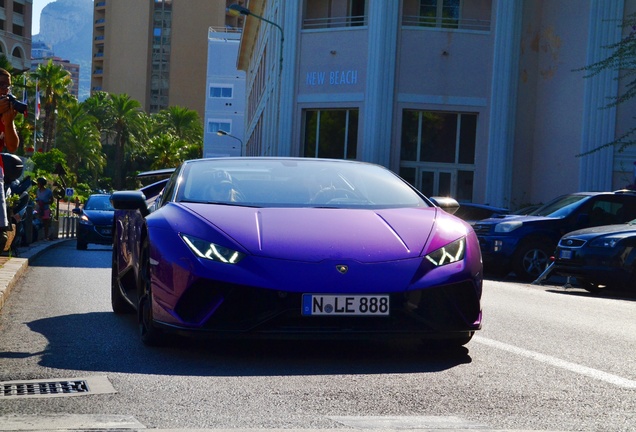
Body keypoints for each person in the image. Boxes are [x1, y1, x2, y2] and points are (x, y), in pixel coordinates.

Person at [0, 68, 20, 251]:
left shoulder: (5, 112)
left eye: (8, 85)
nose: (5, 89)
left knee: (1, 235)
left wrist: (9, 122)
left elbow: (13, 146)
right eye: (1, 84)